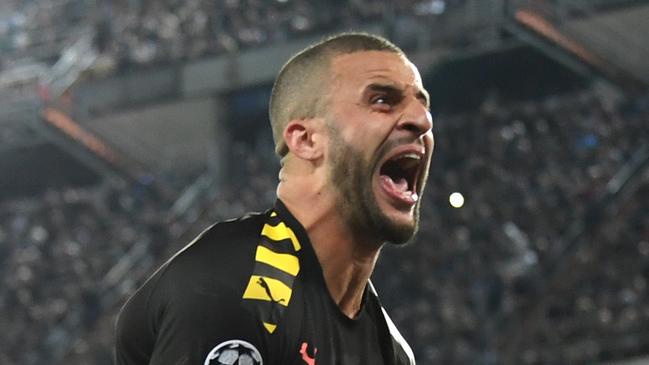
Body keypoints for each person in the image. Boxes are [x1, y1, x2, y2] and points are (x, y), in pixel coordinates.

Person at [115, 32, 434, 365]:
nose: (422, 120)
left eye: (422, 104)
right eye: (382, 100)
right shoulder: (238, 286)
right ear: (307, 139)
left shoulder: (389, 349)